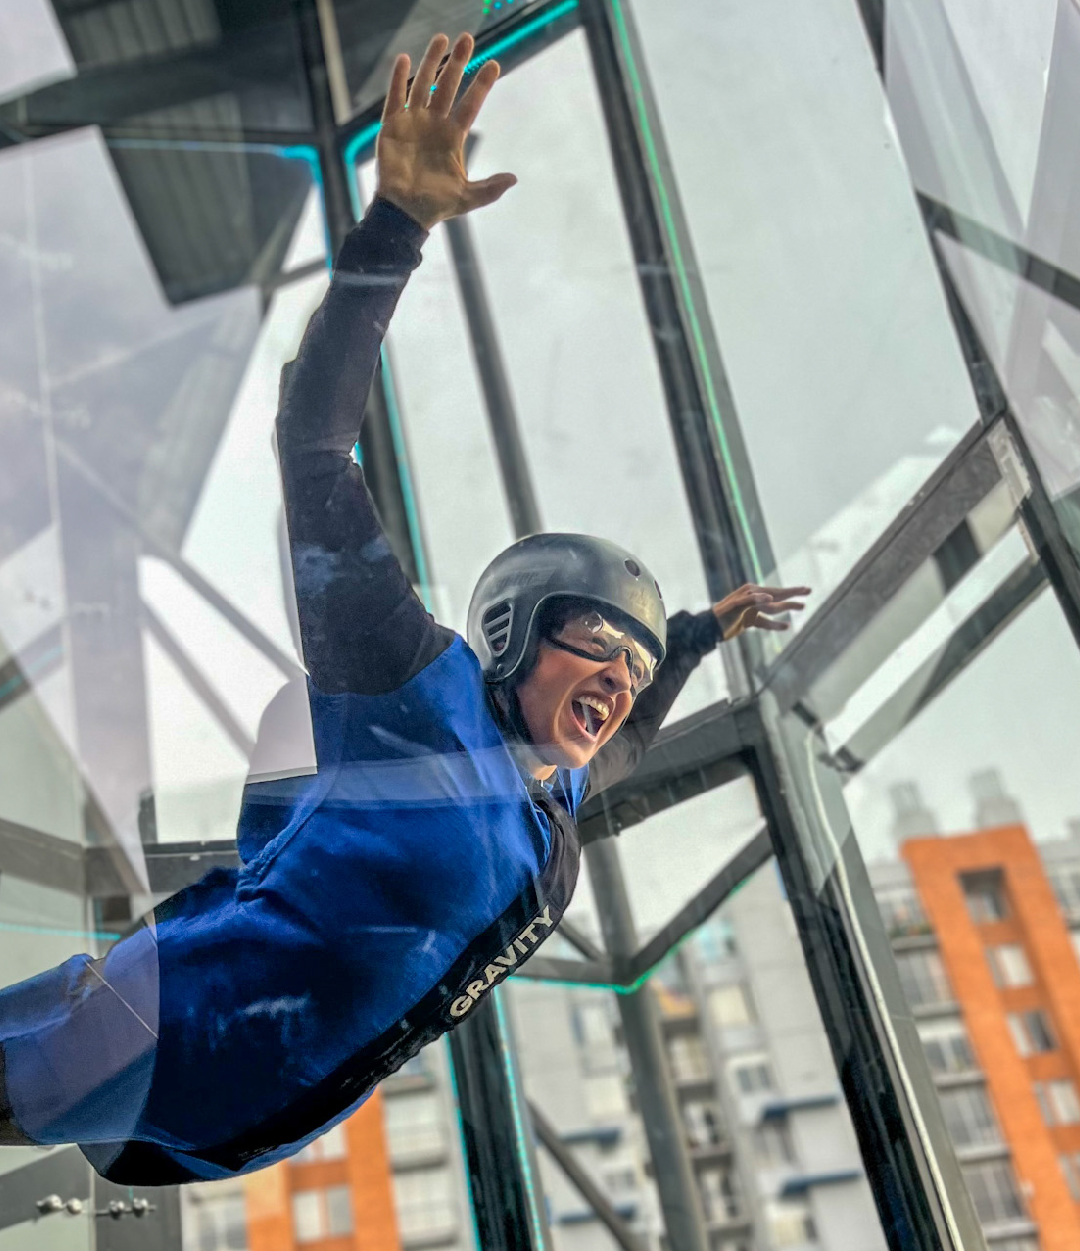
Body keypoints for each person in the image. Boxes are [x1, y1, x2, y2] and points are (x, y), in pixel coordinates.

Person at [0, 31, 806, 1185]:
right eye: (597, 648)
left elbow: (630, 738)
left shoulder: (553, 804)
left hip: (221, 1125)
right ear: (516, 633)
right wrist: (398, 228)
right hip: (150, 1033)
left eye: (629, 671)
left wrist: (688, 638)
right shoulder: (413, 688)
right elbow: (313, 443)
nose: (619, 683)